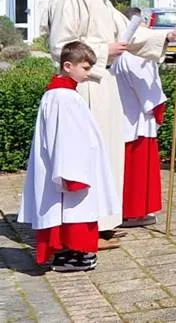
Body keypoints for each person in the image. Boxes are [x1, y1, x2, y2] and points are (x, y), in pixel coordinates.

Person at [47, 0, 176, 242]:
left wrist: (168, 35)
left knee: (107, 155)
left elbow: (129, 33)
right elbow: (60, 46)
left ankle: (101, 220)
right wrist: (102, 51)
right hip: (82, 87)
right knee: (85, 158)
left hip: (103, 87)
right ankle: (80, 226)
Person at [19, 42, 119, 272]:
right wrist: (72, 174)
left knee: (73, 211)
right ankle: (72, 253)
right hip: (71, 169)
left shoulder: (62, 94)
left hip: (76, 165)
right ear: (67, 65)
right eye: (84, 68)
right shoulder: (63, 97)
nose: (88, 73)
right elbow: (66, 138)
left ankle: (75, 253)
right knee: (73, 213)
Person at [111, 7, 166, 228]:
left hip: (123, 117)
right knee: (135, 172)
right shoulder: (135, 56)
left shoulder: (121, 53)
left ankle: (126, 211)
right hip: (138, 121)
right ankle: (132, 212)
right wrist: (159, 107)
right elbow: (150, 96)